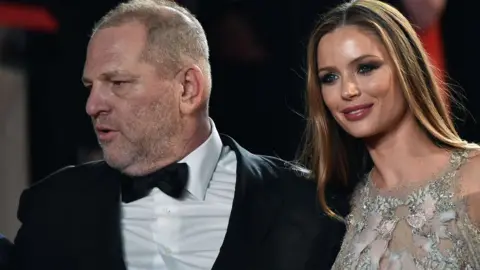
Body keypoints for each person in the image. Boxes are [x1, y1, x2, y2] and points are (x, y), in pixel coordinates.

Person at [11, 0, 348, 269]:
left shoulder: (307, 205)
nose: (93, 105)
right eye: (90, 86)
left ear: (188, 88)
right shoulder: (52, 207)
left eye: (117, 83)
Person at [302, 0, 480, 268]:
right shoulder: (339, 207)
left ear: (406, 67)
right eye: (330, 78)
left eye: (365, 68)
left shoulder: (474, 176)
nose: (347, 90)